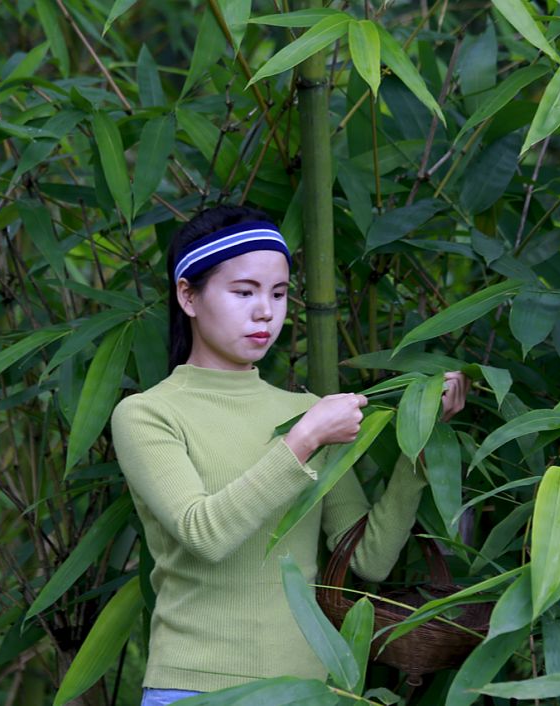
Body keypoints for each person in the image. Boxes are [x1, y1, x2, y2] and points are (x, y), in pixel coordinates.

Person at [110, 205, 467, 705]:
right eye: (243, 292)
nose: (265, 312)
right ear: (187, 296)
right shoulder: (147, 414)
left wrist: (422, 442)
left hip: (309, 688)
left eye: (278, 294)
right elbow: (204, 534)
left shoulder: (305, 411)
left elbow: (369, 558)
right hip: (194, 688)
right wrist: (302, 441)